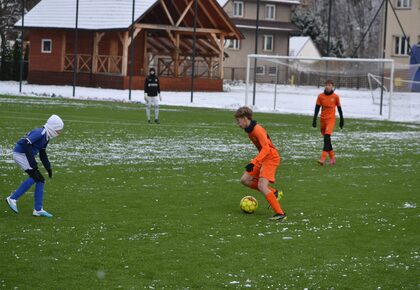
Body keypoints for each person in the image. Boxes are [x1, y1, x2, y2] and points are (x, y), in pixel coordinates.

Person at [5, 115, 64, 218]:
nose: (59, 133)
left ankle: (38, 210)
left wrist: (48, 167)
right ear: (53, 127)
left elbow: (42, 153)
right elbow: (25, 144)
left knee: (40, 180)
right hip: (20, 154)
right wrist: (33, 163)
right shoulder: (40, 132)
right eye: (58, 130)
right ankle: (13, 198)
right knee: (35, 177)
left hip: (24, 155)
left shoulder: (46, 136)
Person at [235, 106, 287, 221]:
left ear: (244, 118)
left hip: (271, 158)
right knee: (245, 180)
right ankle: (274, 193)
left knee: (262, 185)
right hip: (263, 157)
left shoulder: (257, 130)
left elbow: (266, 148)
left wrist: (254, 162)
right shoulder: (249, 130)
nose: (238, 124)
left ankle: (280, 214)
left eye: (238, 121)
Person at [312, 80, 344, 165]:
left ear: (332, 86)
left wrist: (341, 120)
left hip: (331, 120)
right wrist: (314, 119)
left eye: (329, 85)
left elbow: (340, 109)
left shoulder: (336, 97)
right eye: (326, 85)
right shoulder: (320, 96)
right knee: (327, 140)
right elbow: (317, 108)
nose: (327, 86)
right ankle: (333, 158)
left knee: (326, 137)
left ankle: (322, 158)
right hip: (322, 120)